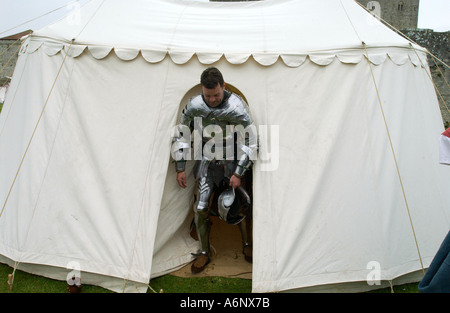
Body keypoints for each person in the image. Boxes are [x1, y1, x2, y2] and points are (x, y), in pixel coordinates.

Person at [172, 67, 257, 273]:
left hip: (231, 158)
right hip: (207, 160)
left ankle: (247, 244)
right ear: (202, 90)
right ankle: (203, 252)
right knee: (200, 208)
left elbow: (251, 140)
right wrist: (180, 167)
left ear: (224, 87)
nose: (211, 100)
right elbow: (182, 135)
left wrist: (238, 173)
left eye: (216, 95)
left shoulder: (237, 106)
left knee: (236, 203)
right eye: (208, 95)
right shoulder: (194, 105)